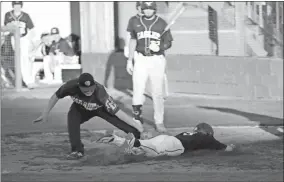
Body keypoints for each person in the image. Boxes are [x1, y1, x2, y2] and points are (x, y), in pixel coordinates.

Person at [33, 73, 144, 160]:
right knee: (72, 121)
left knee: (129, 128)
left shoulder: (100, 92)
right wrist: (45, 113)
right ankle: (77, 151)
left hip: (101, 109)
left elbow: (117, 112)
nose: (89, 91)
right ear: (79, 86)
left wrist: (136, 124)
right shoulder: (70, 86)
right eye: (85, 90)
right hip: (80, 109)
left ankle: (138, 142)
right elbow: (56, 96)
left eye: (91, 89)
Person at [126, 1, 173, 133]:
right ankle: (137, 120)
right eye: (145, 9)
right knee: (137, 90)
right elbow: (133, 40)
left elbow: (168, 42)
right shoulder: (134, 21)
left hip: (157, 60)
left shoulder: (161, 23)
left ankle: (159, 121)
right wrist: (130, 60)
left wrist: (160, 46)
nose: (147, 11)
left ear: (154, 9)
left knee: (157, 92)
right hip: (140, 58)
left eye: (150, 9)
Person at [97, 123, 237, 157]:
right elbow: (226, 148)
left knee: (140, 151)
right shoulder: (206, 138)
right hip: (176, 145)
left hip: (167, 138)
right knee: (156, 152)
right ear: (208, 133)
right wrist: (232, 147)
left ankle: (116, 139)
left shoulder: (188, 133)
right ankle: (135, 141)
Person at [4, 1, 36, 89]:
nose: (17, 7)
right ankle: (23, 81)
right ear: (13, 6)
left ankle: (28, 81)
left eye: (18, 5)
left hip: (23, 38)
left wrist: (30, 41)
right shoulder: (8, 15)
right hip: (13, 39)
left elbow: (32, 29)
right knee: (19, 60)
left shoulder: (25, 15)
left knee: (24, 59)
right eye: (15, 5)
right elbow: (6, 27)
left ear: (21, 6)